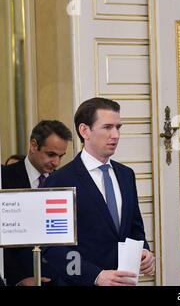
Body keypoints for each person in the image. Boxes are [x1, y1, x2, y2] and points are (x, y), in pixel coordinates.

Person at [43, 97, 155, 286]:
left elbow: (135, 229)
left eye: (118, 127)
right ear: (84, 131)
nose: (116, 135)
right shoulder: (59, 180)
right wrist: (95, 276)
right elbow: (54, 249)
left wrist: (144, 251)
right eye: (107, 127)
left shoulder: (126, 175)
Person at [1, 120, 73, 286]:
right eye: (51, 154)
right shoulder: (4, 178)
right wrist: (17, 279)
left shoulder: (65, 181)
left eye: (61, 156)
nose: (57, 163)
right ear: (34, 145)